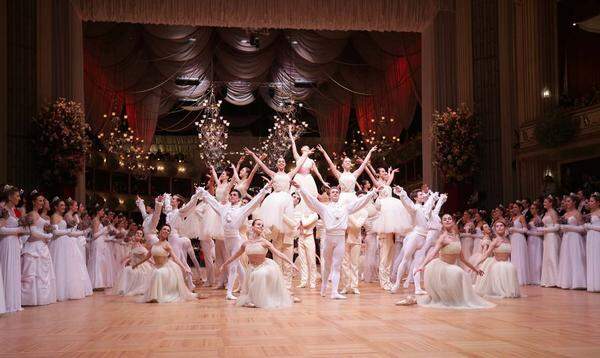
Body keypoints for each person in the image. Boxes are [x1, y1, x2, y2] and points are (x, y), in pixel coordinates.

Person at [293, 180, 379, 299]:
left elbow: (359, 202)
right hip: (329, 238)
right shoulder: (324, 208)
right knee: (328, 265)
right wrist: (300, 188)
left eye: (336, 192)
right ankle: (324, 285)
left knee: (337, 266)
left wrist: (372, 192)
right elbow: (311, 200)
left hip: (340, 239)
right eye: (332, 192)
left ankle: (334, 292)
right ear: (329, 195)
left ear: (339, 194)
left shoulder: (346, 208)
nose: (335, 193)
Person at [399, 214, 493, 309]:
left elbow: (463, 259)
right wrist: (422, 265)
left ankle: (454, 299)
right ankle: (414, 299)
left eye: (449, 219)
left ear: (452, 221)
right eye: (445, 219)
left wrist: (476, 270)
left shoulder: (456, 237)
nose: (447, 220)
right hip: (442, 268)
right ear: (442, 223)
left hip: (451, 268)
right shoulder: (443, 238)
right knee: (459, 272)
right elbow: (432, 253)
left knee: (460, 275)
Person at [196, 182, 270, 300]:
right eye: (231, 195)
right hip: (227, 240)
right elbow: (213, 202)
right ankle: (245, 286)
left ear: (239, 198)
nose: (232, 196)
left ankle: (229, 292)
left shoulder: (242, 209)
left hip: (236, 239)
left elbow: (254, 202)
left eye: (235, 195)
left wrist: (264, 190)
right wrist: (204, 193)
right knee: (238, 265)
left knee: (233, 265)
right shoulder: (224, 209)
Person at [220, 219, 297, 309]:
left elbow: (278, 253)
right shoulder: (246, 243)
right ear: (252, 227)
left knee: (259, 274)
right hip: (252, 268)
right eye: (258, 224)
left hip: (265, 267)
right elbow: (235, 256)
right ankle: (251, 299)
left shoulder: (264, 242)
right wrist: (224, 264)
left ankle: (263, 299)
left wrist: (292, 263)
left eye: (262, 225)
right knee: (253, 274)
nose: (261, 226)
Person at [135, 224, 203, 303]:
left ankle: (156, 297)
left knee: (157, 273)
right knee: (155, 272)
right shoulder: (154, 244)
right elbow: (147, 257)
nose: (166, 231)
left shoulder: (167, 244)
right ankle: (153, 297)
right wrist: (136, 264)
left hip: (166, 269)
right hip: (157, 267)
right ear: (160, 231)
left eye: (168, 230)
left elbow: (175, 258)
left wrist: (184, 268)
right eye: (164, 229)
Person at [391, 186, 438, 294]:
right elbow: (407, 202)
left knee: (417, 264)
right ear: (416, 198)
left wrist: (433, 198)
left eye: (422, 194)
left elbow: (430, 210)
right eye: (420, 194)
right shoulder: (414, 207)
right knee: (405, 259)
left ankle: (417, 288)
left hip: (424, 238)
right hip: (415, 236)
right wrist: (402, 193)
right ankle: (397, 284)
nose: (423, 195)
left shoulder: (425, 208)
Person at [21, 191, 57, 306]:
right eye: (40, 200)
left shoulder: (38, 215)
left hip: (41, 246)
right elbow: (33, 233)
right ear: (33, 202)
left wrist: (48, 231)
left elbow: (40, 229)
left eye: (42, 200)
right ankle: (29, 299)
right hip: (34, 247)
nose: (42, 203)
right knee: (33, 274)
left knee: (42, 274)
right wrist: (46, 235)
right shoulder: (32, 214)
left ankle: (41, 298)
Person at [49, 198, 87, 301]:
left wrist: (69, 231)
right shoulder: (54, 217)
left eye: (64, 205)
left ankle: (66, 290)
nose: (63, 207)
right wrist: (67, 231)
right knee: (60, 267)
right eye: (61, 205)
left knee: (65, 267)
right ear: (55, 207)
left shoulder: (61, 217)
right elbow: (55, 232)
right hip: (58, 243)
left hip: (64, 242)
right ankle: (58, 292)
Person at [475, 219, 521, 298]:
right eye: (497, 226)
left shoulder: (508, 240)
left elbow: (509, 255)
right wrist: (476, 264)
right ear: (495, 229)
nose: (499, 228)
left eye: (501, 226)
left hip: (508, 265)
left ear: (505, 227)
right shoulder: (495, 241)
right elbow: (486, 254)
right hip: (498, 266)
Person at [0, 186, 26, 312]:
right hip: (6, 243)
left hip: (15, 242)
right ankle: (7, 303)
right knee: (8, 269)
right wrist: (18, 230)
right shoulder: (3, 209)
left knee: (15, 271)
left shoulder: (14, 210)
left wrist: (22, 231)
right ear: (9, 196)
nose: (19, 198)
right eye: (16, 195)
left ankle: (15, 302)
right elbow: (1, 230)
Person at [111, 229, 153, 296]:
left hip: (141, 265)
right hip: (135, 264)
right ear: (135, 234)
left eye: (140, 234)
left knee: (127, 270)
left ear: (142, 237)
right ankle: (123, 289)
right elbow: (131, 255)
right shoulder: (133, 244)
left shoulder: (140, 246)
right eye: (137, 233)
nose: (138, 234)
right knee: (125, 270)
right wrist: (126, 259)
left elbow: (146, 257)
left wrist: (153, 263)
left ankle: (126, 289)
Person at [558, 194, 586, 289]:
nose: (566, 203)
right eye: (566, 201)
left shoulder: (577, 213)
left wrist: (569, 227)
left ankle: (578, 282)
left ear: (574, 202)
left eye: (569, 201)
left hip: (575, 238)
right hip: (566, 238)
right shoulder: (565, 214)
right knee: (566, 258)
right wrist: (562, 228)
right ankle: (567, 281)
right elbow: (562, 228)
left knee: (575, 258)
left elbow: (583, 229)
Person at [540, 195, 560, 287]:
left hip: (552, 237)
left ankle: (555, 280)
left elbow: (557, 227)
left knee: (552, 257)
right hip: (546, 237)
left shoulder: (553, 212)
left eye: (545, 202)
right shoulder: (546, 213)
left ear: (551, 203)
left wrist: (545, 230)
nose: (543, 204)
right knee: (547, 258)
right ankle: (548, 280)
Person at [508, 203, 529, 285]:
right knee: (514, 257)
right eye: (513, 207)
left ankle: (521, 278)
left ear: (520, 208)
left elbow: (525, 230)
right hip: (513, 239)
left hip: (519, 238)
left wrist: (515, 229)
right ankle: (514, 277)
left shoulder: (521, 217)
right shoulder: (512, 218)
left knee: (519, 257)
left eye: (516, 207)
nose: (514, 209)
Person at [584, 192, 600, 292]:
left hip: (597, 237)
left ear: (598, 202)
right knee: (591, 258)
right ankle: (593, 284)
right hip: (590, 237)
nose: (590, 203)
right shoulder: (591, 214)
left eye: (592, 201)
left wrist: (590, 226)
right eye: (589, 201)